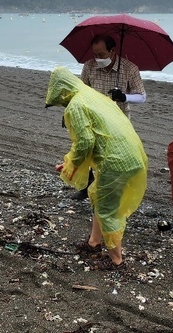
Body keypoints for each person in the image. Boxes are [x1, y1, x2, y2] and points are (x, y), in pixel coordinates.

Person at [46, 67, 147, 270]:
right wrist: (69, 163)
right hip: (133, 154)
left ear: (61, 91)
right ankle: (94, 242)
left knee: (108, 209)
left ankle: (116, 260)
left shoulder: (75, 105)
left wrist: (71, 165)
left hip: (115, 160)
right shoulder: (92, 95)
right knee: (100, 198)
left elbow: (85, 142)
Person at [68, 34, 147, 201]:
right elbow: (81, 91)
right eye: (95, 54)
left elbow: (142, 96)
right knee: (89, 150)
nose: (97, 58)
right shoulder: (89, 66)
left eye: (101, 55)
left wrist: (124, 97)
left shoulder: (129, 68)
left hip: (119, 119)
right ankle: (86, 186)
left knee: (114, 155)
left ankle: (112, 188)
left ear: (112, 51)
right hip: (93, 116)